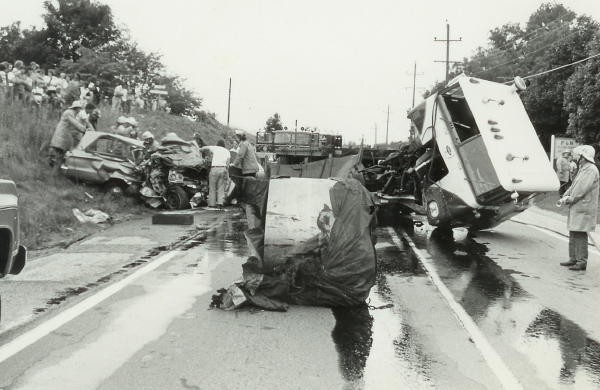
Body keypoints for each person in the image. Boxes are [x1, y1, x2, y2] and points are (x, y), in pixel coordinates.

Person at [558, 145, 599, 271]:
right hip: (578, 206)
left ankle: (581, 262)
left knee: (580, 233)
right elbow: (574, 184)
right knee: (574, 231)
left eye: (579, 155)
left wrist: (570, 198)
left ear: (584, 156)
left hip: (584, 206)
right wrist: (566, 194)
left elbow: (581, 189)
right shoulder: (583, 168)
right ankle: (573, 258)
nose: (577, 158)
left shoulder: (591, 170)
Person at [48, 100, 88, 171]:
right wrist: (84, 130)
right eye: (79, 108)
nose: (79, 110)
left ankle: (55, 170)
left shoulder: (72, 114)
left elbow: (74, 126)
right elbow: (75, 124)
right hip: (61, 135)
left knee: (60, 153)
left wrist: (82, 130)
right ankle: (53, 169)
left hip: (63, 136)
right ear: (76, 108)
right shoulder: (69, 113)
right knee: (58, 153)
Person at [201, 140, 231, 208]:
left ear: (217, 144)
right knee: (221, 187)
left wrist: (200, 149)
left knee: (212, 187)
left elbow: (205, 148)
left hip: (214, 169)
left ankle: (212, 204)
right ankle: (220, 203)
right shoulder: (227, 151)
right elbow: (228, 163)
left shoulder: (215, 148)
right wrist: (226, 171)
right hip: (223, 169)